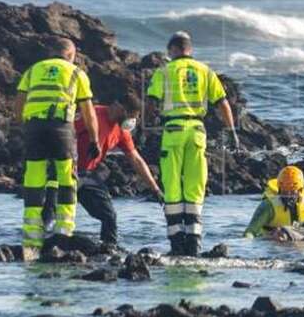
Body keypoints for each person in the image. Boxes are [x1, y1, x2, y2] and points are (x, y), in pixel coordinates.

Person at [147, 31, 238, 256]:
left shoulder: (164, 71)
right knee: (195, 185)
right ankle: (195, 242)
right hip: (197, 132)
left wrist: (145, 126)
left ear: (173, 50)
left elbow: (151, 102)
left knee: (172, 185)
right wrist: (232, 131)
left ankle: (177, 243)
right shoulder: (205, 71)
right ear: (190, 49)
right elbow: (222, 103)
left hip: (173, 131)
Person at [14, 38, 100, 251]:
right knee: (66, 177)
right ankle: (64, 231)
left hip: (34, 128)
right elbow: (88, 111)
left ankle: (32, 237)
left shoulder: (34, 70)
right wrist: (94, 138)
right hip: (61, 127)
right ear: (71, 55)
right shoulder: (75, 72)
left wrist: (23, 126)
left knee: (33, 179)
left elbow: (19, 103)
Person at [72, 93, 164, 246]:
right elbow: (67, 134)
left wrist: (155, 189)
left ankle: (108, 250)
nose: (131, 121)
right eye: (131, 116)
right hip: (67, 171)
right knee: (55, 213)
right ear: (120, 108)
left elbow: (136, 159)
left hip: (89, 176)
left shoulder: (122, 131)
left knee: (109, 216)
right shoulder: (92, 114)